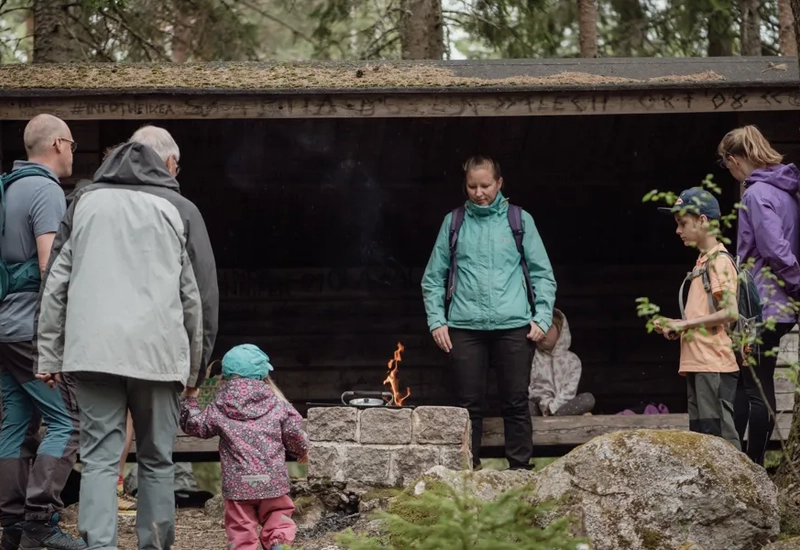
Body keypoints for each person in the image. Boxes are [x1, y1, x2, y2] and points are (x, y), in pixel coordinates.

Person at [34, 125, 219, 550]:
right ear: (167, 163)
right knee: (156, 459)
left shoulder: (82, 203)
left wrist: (48, 355)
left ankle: (99, 546)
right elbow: (199, 297)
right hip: (158, 356)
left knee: (98, 459)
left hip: (92, 353)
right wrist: (195, 368)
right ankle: (154, 545)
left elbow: (55, 282)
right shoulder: (180, 208)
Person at [421, 155, 557, 470]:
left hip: (514, 325)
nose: (479, 192)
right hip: (464, 326)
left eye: (485, 185)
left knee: (515, 402)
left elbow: (543, 275)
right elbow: (432, 278)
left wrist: (541, 318)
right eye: (472, 186)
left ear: (499, 183)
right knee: (468, 405)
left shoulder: (520, 220)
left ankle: (521, 471)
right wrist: (437, 321)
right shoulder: (453, 222)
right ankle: (469, 471)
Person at [0, 114, 86, 550]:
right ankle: (40, 519)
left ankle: (12, 525)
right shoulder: (46, 190)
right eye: (71, 143)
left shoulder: (8, 188)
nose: (73, 150)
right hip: (33, 325)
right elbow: (50, 267)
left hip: (4, 326)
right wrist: (61, 334)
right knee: (66, 421)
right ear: (57, 143)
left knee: (15, 422)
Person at [718, 125, 800, 466]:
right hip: (780, 307)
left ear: (735, 160)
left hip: (760, 304)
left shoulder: (754, 194)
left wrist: (797, 282)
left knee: (747, 383)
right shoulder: (787, 190)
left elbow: (774, 248)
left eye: (726, 164)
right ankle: (752, 459)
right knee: (759, 377)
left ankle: (745, 463)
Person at [180, 344, 309, 550]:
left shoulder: (219, 406)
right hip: (273, 483)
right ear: (263, 376)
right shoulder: (278, 404)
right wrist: (302, 450)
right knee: (278, 518)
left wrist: (190, 399)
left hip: (238, 486)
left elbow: (195, 426)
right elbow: (294, 433)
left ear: (225, 376)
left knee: (241, 532)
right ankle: (278, 544)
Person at [653, 187, 741, 450]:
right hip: (697, 364)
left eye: (683, 223)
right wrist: (677, 327)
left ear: (703, 220)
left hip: (713, 364)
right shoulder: (702, 262)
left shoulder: (719, 262)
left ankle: (741, 490)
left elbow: (730, 312)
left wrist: (685, 324)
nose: (678, 231)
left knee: (721, 441)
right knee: (702, 441)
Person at [529, 308, 595, 416]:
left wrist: (553, 407)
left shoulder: (572, 360)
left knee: (588, 399)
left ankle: (556, 417)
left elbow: (570, 391)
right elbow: (529, 388)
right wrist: (545, 405)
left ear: (561, 331)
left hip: (562, 407)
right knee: (525, 405)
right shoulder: (531, 357)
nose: (542, 331)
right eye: (539, 327)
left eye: (548, 327)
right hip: (539, 409)